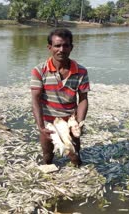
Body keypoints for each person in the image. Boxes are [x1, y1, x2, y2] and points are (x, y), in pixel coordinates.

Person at [30, 28, 90, 166]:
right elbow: (35, 99)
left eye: (66, 45)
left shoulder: (81, 71)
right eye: (57, 45)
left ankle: (77, 170)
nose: (61, 50)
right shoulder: (39, 70)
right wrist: (40, 127)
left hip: (71, 121)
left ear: (71, 47)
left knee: (75, 155)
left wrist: (79, 124)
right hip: (49, 123)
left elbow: (83, 99)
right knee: (47, 156)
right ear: (49, 47)